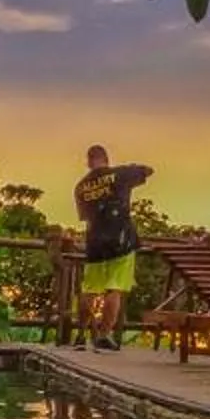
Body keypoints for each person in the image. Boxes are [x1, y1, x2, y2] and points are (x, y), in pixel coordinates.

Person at [73, 144, 155, 348]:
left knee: (89, 289)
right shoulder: (120, 174)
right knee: (114, 289)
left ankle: (81, 334)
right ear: (106, 158)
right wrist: (134, 168)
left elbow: (84, 216)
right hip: (121, 240)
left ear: (89, 161)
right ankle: (104, 334)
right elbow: (148, 170)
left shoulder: (81, 186)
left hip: (94, 242)